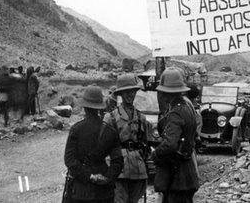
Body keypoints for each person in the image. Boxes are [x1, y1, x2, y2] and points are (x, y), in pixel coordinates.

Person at [64, 85, 123, 203]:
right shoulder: (110, 131)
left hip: (81, 190)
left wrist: (89, 176)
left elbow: (69, 159)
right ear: (100, 108)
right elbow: (118, 161)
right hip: (104, 192)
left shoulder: (76, 129)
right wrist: (107, 178)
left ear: (84, 107)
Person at [151, 68, 199, 203]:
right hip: (187, 171)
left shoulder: (175, 112)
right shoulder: (187, 106)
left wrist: (155, 154)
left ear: (165, 92)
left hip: (176, 175)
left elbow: (170, 144)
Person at [103, 74, 150, 203]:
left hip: (137, 168)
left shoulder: (141, 117)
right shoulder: (110, 118)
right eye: (126, 92)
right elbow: (103, 146)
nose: (130, 95)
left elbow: (145, 143)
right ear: (121, 94)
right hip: (118, 167)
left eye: (133, 91)